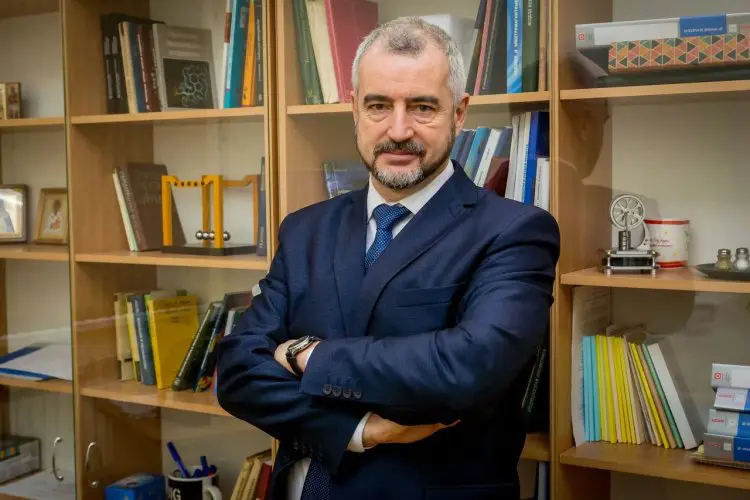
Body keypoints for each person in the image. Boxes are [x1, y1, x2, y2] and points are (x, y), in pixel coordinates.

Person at [216, 16, 560, 500]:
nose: (399, 130)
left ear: (459, 113)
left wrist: (303, 354)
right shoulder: (305, 229)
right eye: (379, 105)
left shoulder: (514, 231)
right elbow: (238, 371)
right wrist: (359, 430)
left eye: (423, 107)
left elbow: (468, 369)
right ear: (354, 109)